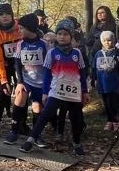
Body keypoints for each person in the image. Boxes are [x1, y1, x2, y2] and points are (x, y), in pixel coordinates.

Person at [20, 20, 89, 155]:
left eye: (65, 34)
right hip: (56, 91)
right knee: (45, 115)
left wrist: (85, 91)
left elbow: (82, 73)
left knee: (76, 118)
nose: (62, 37)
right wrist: (45, 93)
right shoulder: (51, 53)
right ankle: (31, 139)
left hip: (74, 93)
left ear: (71, 36)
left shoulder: (77, 53)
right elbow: (47, 75)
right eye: (59, 34)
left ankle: (77, 143)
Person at [4, 13, 48, 145]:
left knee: (37, 106)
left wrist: (47, 85)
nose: (19, 30)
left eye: (22, 28)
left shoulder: (44, 44)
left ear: (30, 28)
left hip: (41, 82)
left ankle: (36, 134)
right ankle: (14, 131)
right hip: (26, 79)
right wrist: (20, 82)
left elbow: (49, 66)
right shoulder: (20, 44)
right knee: (20, 97)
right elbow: (17, 64)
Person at [0, 3, 22, 139]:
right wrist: (2, 79)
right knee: (1, 94)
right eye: (1, 14)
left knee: (22, 93)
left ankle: (21, 123)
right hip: (6, 65)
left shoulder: (20, 28)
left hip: (22, 64)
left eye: (7, 14)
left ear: (12, 15)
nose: (5, 17)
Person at [93, 30, 119, 132]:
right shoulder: (98, 54)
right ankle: (109, 120)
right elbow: (94, 68)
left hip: (113, 82)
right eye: (105, 40)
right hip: (102, 83)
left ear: (113, 40)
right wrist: (94, 79)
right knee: (106, 102)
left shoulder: (116, 52)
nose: (107, 42)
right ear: (102, 41)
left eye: (109, 40)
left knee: (114, 102)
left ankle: (116, 120)